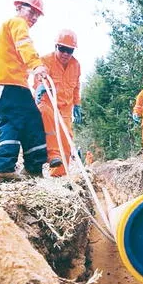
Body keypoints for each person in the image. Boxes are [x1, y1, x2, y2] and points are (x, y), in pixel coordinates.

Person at [0, 0, 49, 179]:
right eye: (32, 11)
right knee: (22, 120)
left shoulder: (10, 27)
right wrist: (36, 64)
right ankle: (9, 166)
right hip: (7, 83)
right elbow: (24, 45)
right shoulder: (17, 23)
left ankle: (26, 168)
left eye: (38, 14)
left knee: (23, 120)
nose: (35, 17)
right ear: (19, 7)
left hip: (6, 84)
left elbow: (17, 54)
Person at [34, 29, 82, 177]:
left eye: (70, 50)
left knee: (67, 139)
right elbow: (37, 79)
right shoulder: (45, 61)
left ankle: (59, 175)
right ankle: (53, 155)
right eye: (62, 49)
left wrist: (77, 104)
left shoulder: (76, 65)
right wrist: (39, 87)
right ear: (56, 46)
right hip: (48, 104)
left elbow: (76, 85)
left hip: (66, 108)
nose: (66, 54)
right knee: (51, 130)